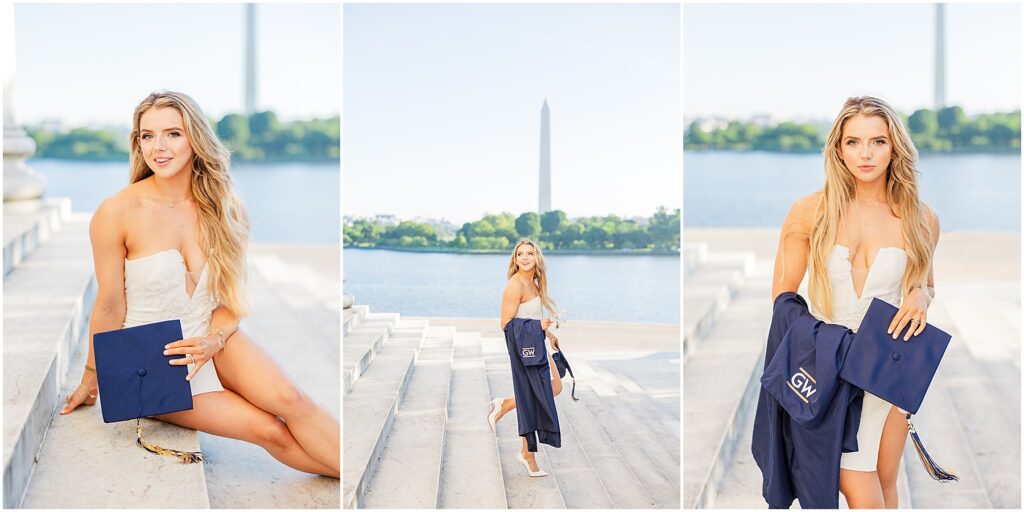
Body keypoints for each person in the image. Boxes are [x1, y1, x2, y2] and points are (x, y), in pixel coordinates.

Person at [60, 91, 340, 479]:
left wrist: (215, 340)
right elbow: (109, 305)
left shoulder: (227, 208)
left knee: (292, 400)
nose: (158, 147)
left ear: (195, 138)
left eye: (172, 133)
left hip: (210, 337)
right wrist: (93, 377)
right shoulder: (117, 212)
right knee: (270, 431)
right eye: (147, 136)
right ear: (137, 142)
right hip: (151, 360)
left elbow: (232, 300)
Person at [771, 96, 939, 508]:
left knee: (883, 481)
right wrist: (823, 346)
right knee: (854, 478)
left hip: (889, 367)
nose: (865, 153)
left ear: (894, 146)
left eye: (878, 141)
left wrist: (920, 294)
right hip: (830, 369)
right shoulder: (809, 211)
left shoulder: (921, 217)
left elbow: (926, 285)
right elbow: (782, 296)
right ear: (838, 148)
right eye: (853, 142)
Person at [486, 239, 563, 476]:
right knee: (538, 394)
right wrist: (537, 326)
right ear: (515, 258)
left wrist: (548, 333)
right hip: (524, 349)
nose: (525, 257)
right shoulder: (515, 285)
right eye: (521, 254)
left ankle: (507, 406)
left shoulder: (535, 283)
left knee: (554, 387)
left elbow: (530, 314)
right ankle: (526, 453)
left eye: (530, 253)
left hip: (537, 344)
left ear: (537, 257)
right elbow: (506, 325)